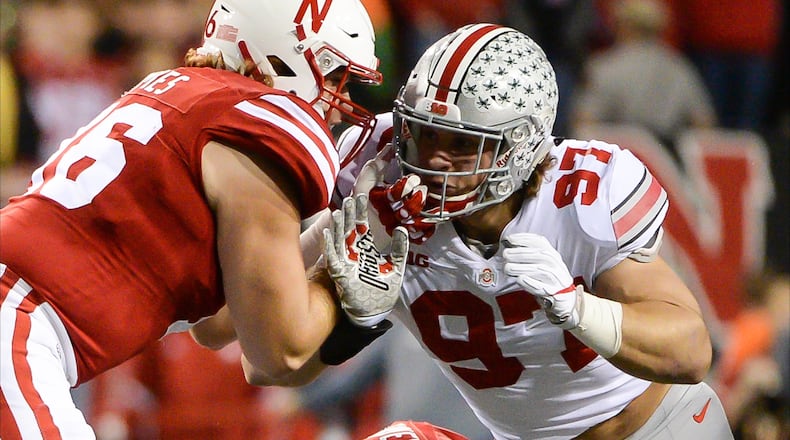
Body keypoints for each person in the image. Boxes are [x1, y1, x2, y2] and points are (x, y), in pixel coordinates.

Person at [0, 0, 409, 437]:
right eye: (333, 77)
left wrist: (334, 226)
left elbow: (218, 325)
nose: (341, 99)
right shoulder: (264, 126)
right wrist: (346, 290)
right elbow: (280, 350)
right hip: (17, 318)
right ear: (281, 57)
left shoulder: (188, 96)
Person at [323, 23, 735, 439]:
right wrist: (357, 317)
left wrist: (579, 309)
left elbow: (691, 352)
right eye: (426, 133)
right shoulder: (376, 190)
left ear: (519, 147)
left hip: (659, 429)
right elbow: (278, 363)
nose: (434, 159)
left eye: (463, 144)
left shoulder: (580, 197)